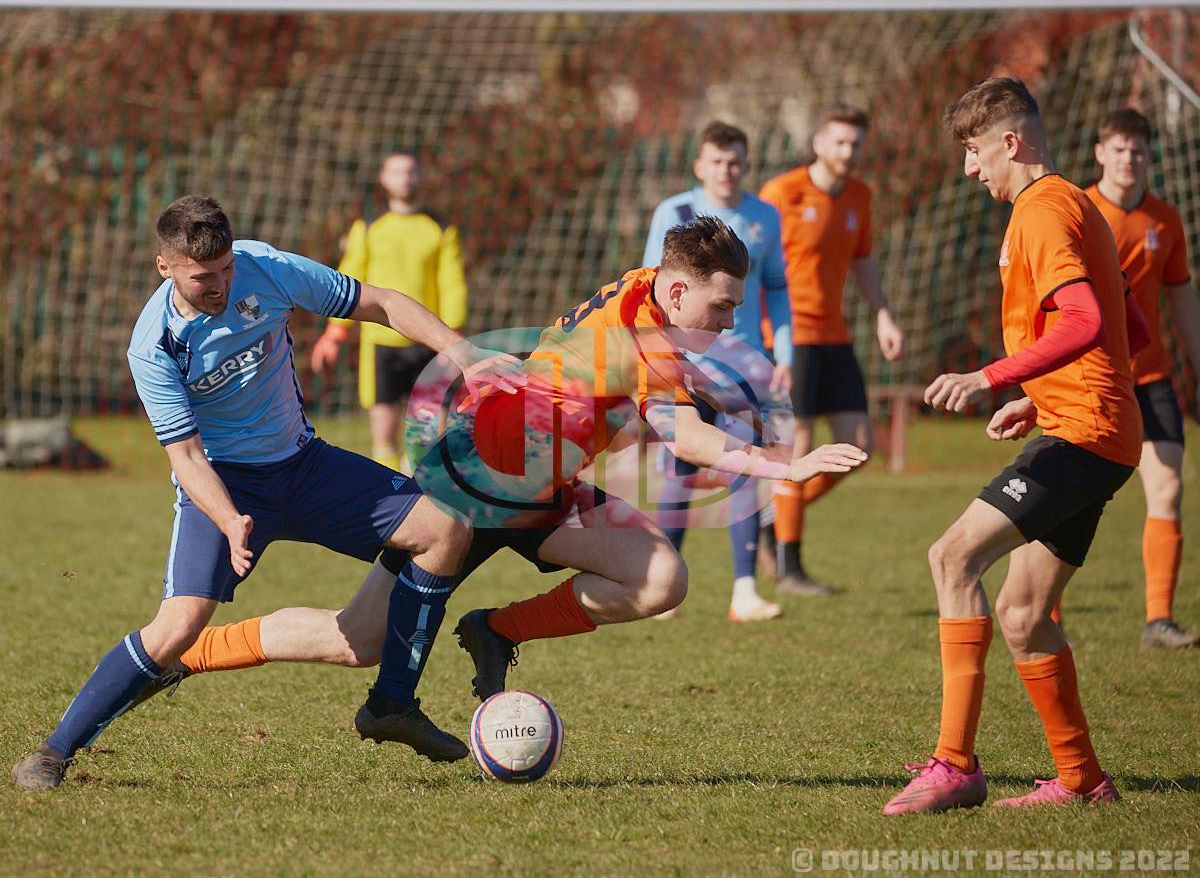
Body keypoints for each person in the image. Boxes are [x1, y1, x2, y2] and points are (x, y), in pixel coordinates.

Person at [124, 217, 867, 746]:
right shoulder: (647, 339)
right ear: (675, 293)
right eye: (722, 305)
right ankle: (191, 652)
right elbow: (687, 436)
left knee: (660, 580)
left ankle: (496, 630)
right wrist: (785, 464)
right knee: (358, 639)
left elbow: (638, 390)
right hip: (474, 479)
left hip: (543, 487)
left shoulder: (649, 292)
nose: (729, 320)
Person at [11, 195, 520, 790]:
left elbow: (380, 302)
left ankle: (392, 705)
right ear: (164, 267)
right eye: (203, 277)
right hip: (226, 484)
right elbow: (186, 456)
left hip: (305, 466)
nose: (221, 285)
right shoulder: (153, 346)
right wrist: (229, 520)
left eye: (226, 268)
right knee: (178, 627)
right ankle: (53, 752)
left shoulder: (266, 267)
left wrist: (463, 354)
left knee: (445, 528)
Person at [884, 77, 1150, 814]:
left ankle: (954, 765)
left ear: (1010, 142)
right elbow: (1133, 329)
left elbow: (1086, 320)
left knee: (952, 557)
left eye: (974, 151)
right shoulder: (1080, 205)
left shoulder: (1041, 210)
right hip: (1098, 430)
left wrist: (991, 377)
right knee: (1025, 615)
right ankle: (1083, 781)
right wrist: (1038, 396)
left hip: (1084, 435)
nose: (970, 169)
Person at [642, 120, 793, 622]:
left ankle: (745, 591)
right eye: (717, 161)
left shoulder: (764, 216)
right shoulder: (674, 214)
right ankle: (661, 588)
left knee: (744, 464)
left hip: (743, 367)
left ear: (746, 166)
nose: (726, 170)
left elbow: (778, 289)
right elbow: (653, 289)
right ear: (699, 166)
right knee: (679, 471)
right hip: (682, 365)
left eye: (735, 162)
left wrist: (785, 352)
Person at [760, 106, 905, 595]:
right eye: (839, 141)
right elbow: (752, 262)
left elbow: (863, 259)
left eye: (856, 143)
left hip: (835, 335)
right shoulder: (782, 193)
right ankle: (789, 568)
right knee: (797, 444)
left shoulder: (860, 196)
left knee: (858, 446)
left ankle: (774, 518)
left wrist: (883, 313)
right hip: (789, 336)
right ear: (818, 143)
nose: (848, 151)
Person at [1083, 108, 1200, 649]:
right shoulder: (1080, 211)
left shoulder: (1165, 220)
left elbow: (1182, 301)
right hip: (1092, 378)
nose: (1129, 158)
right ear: (1100, 153)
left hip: (1150, 378)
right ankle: (1046, 615)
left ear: (1150, 155)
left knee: (1169, 487)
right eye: (1119, 148)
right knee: (1075, 497)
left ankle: (1158, 622)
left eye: (1137, 150)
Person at [311, 151, 467, 473]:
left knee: (431, 433)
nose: (405, 178)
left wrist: (451, 337)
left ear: (421, 176)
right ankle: (394, 492)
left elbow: (451, 282)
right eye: (397, 172)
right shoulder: (368, 227)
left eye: (411, 171)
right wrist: (335, 333)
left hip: (427, 341)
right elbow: (349, 278)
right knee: (384, 432)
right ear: (383, 178)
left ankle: (426, 492)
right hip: (380, 342)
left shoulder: (439, 228)